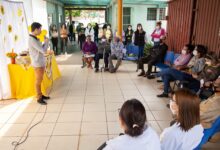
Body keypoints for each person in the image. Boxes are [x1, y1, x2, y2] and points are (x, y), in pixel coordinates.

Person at [28, 22, 51, 105]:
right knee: (38, 81)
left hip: (40, 62)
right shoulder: (32, 40)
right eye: (40, 29)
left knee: (40, 80)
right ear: (36, 29)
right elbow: (43, 50)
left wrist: (45, 43)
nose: (41, 30)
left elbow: (41, 48)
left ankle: (41, 95)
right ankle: (39, 98)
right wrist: (47, 42)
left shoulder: (35, 38)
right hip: (37, 63)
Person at [200, 78, 220, 142]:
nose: (212, 84)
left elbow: (202, 115)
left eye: (215, 84)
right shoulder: (216, 95)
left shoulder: (216, 101)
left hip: (201, 122)